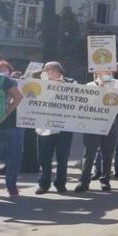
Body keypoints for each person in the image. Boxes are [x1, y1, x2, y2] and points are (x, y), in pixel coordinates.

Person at [76, 72, 118, 192]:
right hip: (92, 122)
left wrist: (106, 88)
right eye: (101, 72)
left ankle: (105, 180)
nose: (104, 74)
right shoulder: (89, 86)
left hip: (110, 121)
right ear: (95, 74)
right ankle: (84, 181)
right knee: (89, 153)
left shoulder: (117, 85)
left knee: (108, 153)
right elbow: (84, 103)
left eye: (108, 72)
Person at [35, 62, 75, 194]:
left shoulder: (71, 82)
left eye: (47, 70)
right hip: (44, 126)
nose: (44, 72)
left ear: (56, 70)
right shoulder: (39, 83)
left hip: (64, 127)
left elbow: (77, 98)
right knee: (44, 158)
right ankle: (43, 184)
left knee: (62, 158)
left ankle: (60, 183)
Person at [0, 53, 24, 197]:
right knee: (13, 156)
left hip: (3, 126)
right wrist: (7, 112)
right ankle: (11, 186)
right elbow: (18, 97)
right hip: (10, 123)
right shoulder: (4, 79)